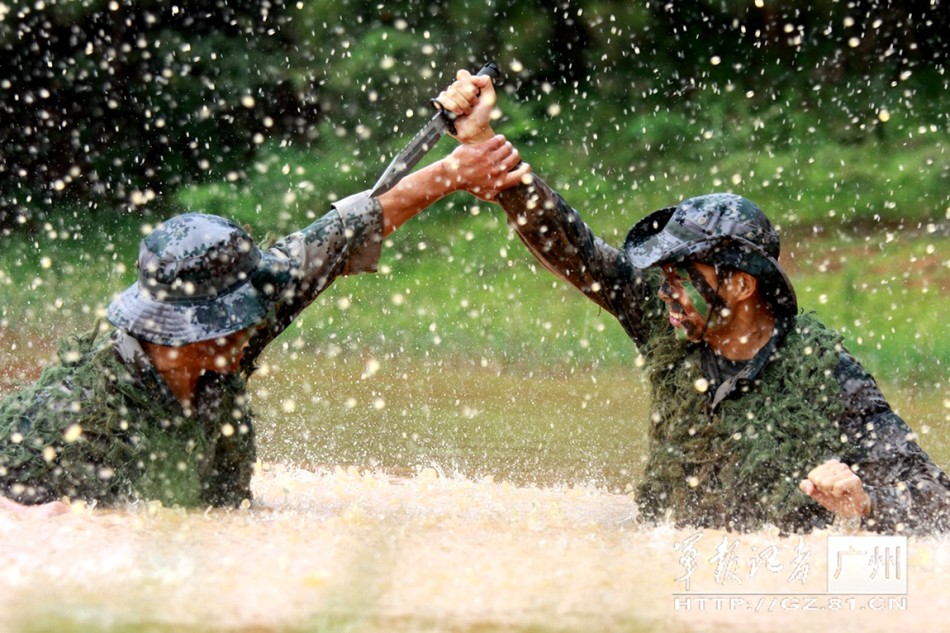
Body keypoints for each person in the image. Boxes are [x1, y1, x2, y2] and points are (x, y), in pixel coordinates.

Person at [436, 69, 950, 534]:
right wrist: (484, 145)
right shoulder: (666, 319)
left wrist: (866, 504)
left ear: (742, 286)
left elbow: (936, 506)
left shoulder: (829, 376)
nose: (664, 290)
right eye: (662, 275)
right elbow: (575, 249)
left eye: (681, 276)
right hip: (666, 566)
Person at [0, 82, 529, 513]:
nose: (250, 325)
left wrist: (459, 166)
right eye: (230, 318)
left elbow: (344, 232)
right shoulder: (66, 424)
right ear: (179, 328)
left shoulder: (234, 332)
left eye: (248, 311)